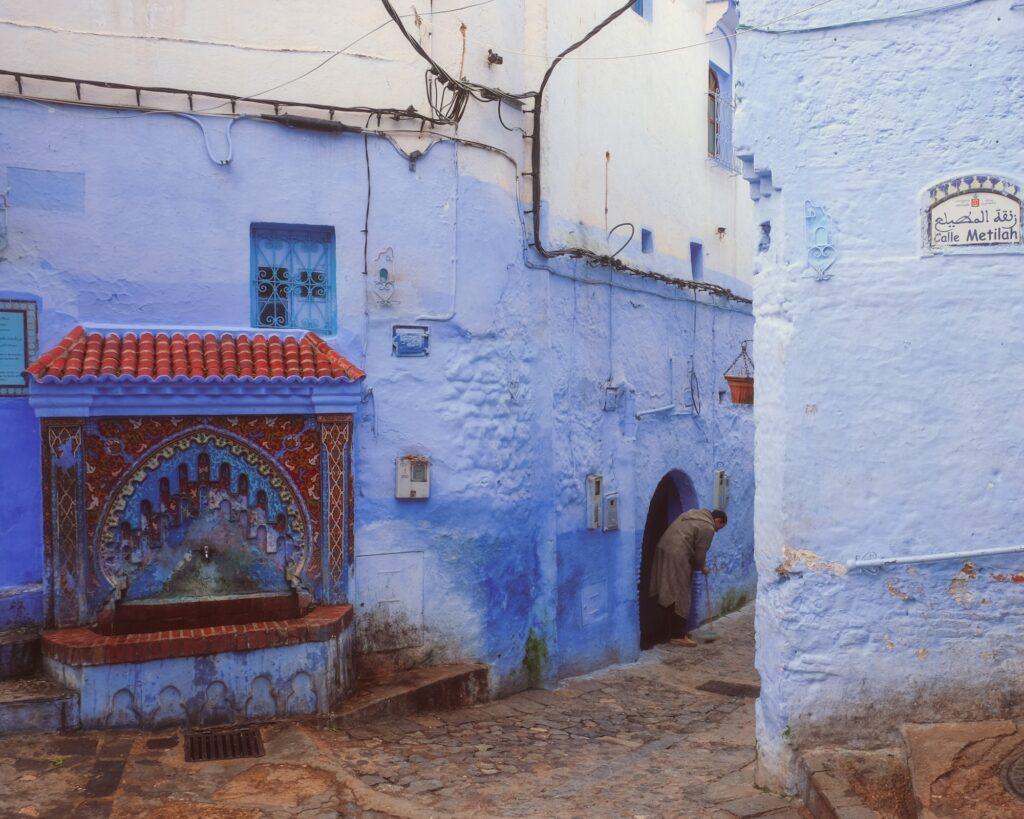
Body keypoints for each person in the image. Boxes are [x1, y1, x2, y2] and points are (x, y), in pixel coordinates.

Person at [649, 508, 727, 647]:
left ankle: (666, 632)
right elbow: (699, 555)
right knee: (681, 594)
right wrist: (702, 567)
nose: (717, 531)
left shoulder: (693, 514)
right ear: (718, 521)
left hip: (663, 550)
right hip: (677, 556)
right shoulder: (708, 527)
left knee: (667, 590)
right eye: (719, 528)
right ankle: (677, 635)